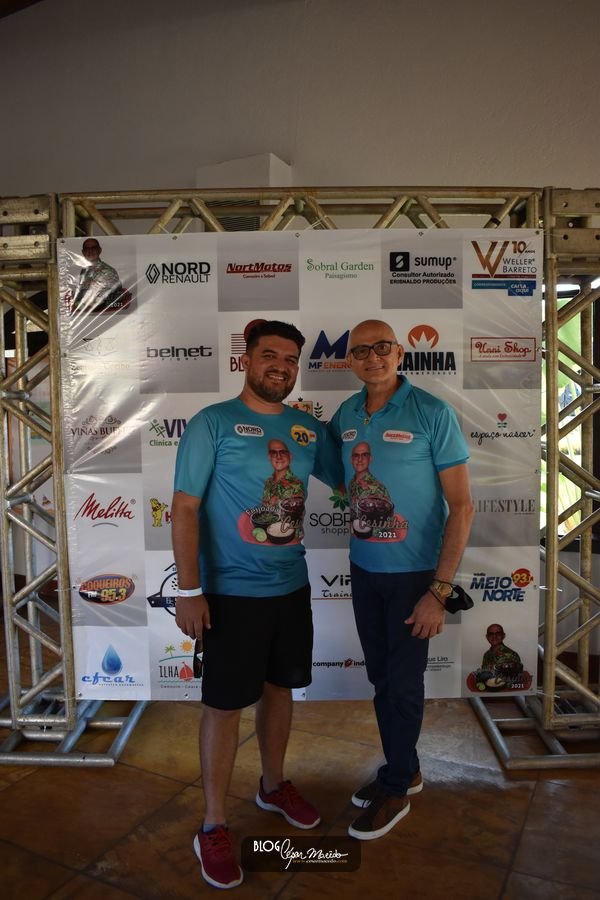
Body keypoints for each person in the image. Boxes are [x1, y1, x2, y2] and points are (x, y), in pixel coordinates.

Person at [171, 319, 343, 890]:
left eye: (291, 359)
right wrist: (189, 590)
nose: (281, 366)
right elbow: (185, 509)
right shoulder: (212, 423)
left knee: (280, 690)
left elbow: (349, 481)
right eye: (270, 355)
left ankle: (272, 786)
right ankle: (213, 824)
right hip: (229, 595)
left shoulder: (306, 429)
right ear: (246, 360)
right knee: (223, 708)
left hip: (290, 588)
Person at [330, 319, 474, 841]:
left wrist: (439, 590)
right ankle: (404, 768)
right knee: (382, 679)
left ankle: (395, 789)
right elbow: (338, 478)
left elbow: (462, 507)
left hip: (416, 577)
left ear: (400, 354)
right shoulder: (346, 415)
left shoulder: (432, 412)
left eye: (382, 347)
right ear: (350, 361)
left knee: (405, 684)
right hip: (364, 570)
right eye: (361, 351)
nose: (372, 357)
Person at [70, 238, 126, 313]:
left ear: (99, 250)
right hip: (87, 312)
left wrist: (77, 306)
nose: (90, 251)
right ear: (83, 252)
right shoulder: (85, 270)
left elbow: (99, 302)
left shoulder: (107, 272)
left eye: (94, 248)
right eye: (87, 249)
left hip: (101, 314)